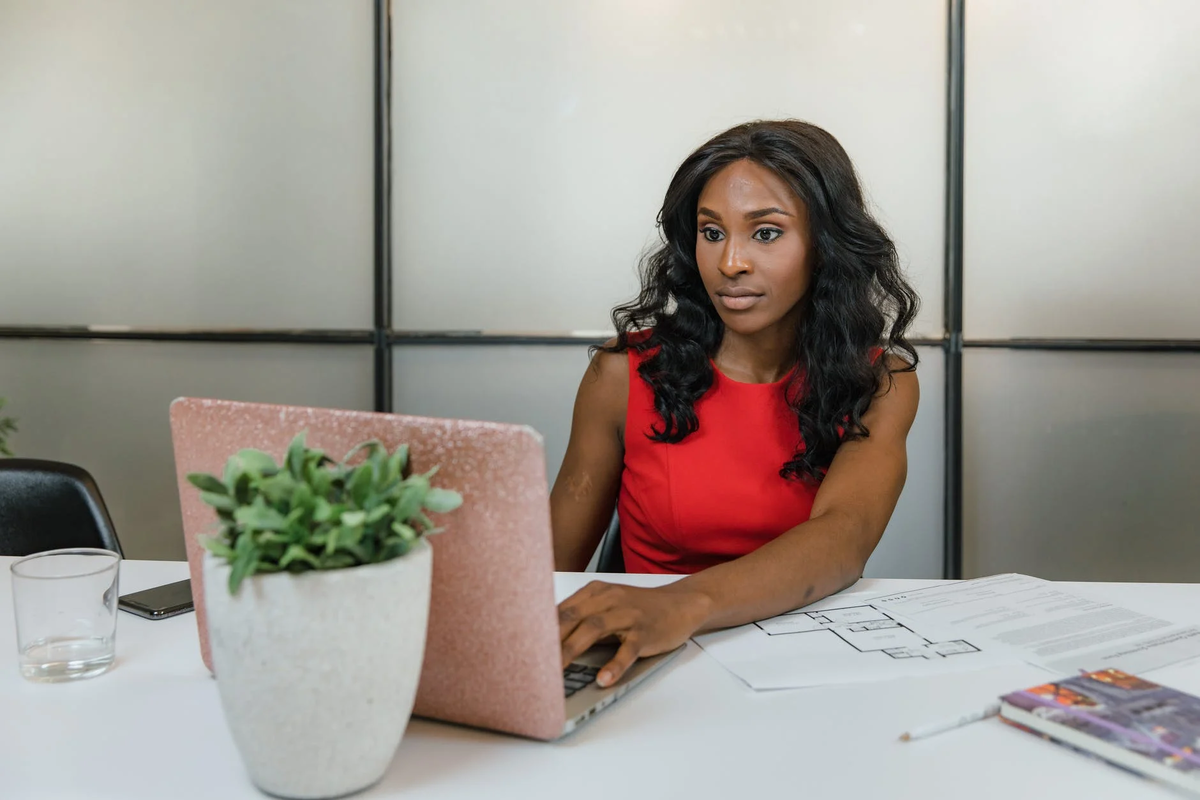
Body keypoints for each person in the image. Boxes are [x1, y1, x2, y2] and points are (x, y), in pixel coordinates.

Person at [549, 119, 921, 689]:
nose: (730, 263)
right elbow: (548, 570)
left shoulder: (879, 381)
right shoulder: (623, 373)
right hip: (641, 665)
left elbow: (844, 537)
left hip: (800, 663)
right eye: (712, 232)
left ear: (825, 244)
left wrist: (681, 605)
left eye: (766, 233)